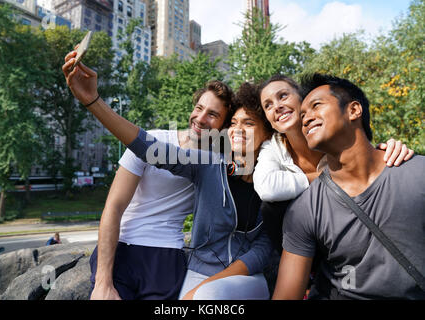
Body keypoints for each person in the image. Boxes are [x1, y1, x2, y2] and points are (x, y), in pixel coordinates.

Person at [62, 53, 274, 300]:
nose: (201, 118)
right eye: (199, 108)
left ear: (221, 129)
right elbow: (144, 150)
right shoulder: (197, 161)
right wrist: (93, 101)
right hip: (138, 253)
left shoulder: (252, 176)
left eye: (213, 115)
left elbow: (263, 243)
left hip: (170, 259)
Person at [272, 74, 425, 299]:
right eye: (302, 115)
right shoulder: (304, 209)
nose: (305, 120)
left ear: (354, 110)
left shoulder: (417, 174)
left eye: (316, 106)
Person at [254, 74, 414, 253]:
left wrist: (388, 150)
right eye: (268, 105)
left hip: (347, 220)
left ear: (303, 99)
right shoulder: (272, 147)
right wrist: (324, 177)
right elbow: (267, 187)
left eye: (283, 96)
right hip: (308, 231)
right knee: (271, 208)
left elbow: (360, 153)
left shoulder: (328, 131)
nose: (277, 106)